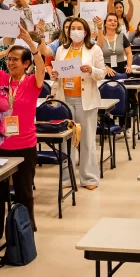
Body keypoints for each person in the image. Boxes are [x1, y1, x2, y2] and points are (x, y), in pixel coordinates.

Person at [0, 26, 45, 251]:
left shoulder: (33, 82)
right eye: (9, 59)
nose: (11, 62)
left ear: (26, 64)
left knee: (24, 193)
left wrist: (31, 46)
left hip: (24, 146)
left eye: (16, 59)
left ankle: (25, 232)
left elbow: (41, 67)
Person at [54, 17, 105, 189]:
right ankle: (67, 178)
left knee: (87, 140)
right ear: (67, 32)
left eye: (79, 28)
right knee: (65, 140)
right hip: (65, 99)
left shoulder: (94, 49)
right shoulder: (61, 50)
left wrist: (91, 70)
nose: (75, 31)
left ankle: (89, 178)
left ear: (85, 32)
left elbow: (102, 73)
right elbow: (58, 74)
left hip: (86, 100)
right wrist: (54, 76)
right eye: (72, 28)